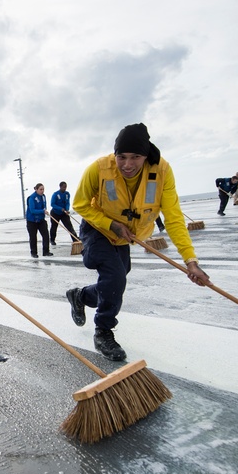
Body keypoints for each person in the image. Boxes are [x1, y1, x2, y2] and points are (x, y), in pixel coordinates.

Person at [66, 123, 211, 361]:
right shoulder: (99, 169)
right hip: (97, 228)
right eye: (121, 157)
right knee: (114, 277)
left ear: (146, 155)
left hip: (126, 236)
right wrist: (111, 224)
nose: (127, 165)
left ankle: (80, 296)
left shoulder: (162, 171)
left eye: (135, 157)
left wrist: (190, 260)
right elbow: (80, 204)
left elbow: (173, 217)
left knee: (115, 282)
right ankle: (103, 331)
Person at [25, 183, 52, 257]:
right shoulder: (31, 198)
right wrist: (42, 211)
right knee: (33, 237)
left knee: (46, 235)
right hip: (32, 221)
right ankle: (34, 253)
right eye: (40, 189)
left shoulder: (43, 197)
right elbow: (32, 210)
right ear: (36, 189)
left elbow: (44, 205)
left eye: (43, 189)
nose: (42, 191)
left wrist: (45, 210)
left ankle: (46, 251)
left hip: (40, 220)